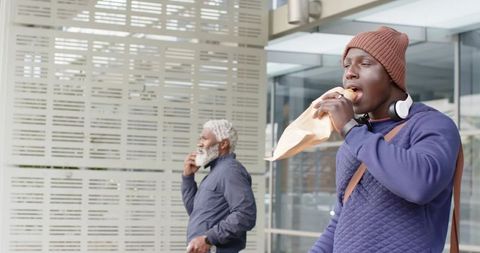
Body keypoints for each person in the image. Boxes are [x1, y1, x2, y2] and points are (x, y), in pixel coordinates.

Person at [309, 26, 462, 252]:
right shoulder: (354, 142)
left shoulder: (433, 125)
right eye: (347, 65)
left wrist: (350, 129)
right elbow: (340, 223)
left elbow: (419, 186)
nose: (350, 72)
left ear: (392, 74)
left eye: (365, 63)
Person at [182, 119, 257, 253]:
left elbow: (245, 215)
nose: (199, 144)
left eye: (204, 139)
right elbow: (196, 213)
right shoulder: (215, 173)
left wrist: (208, 239)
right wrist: (188, 178)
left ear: (223, 144)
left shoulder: (230, 171)